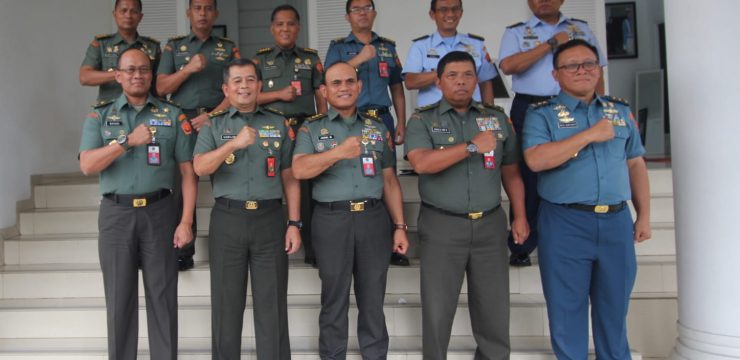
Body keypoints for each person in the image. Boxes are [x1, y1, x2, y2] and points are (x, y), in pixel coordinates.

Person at [522, 39, 650, 359]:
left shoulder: (618, 111)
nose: (582, 70)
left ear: (599, 69)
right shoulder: (542, 115)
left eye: (589, 64)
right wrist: (589, 134)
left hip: (616, 221)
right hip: (566, 222)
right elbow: (536, 160)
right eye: (571, 65)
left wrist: (644, 214)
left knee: (614, 312)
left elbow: (635, 162)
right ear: (556, 74)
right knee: (567, 313)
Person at [405, 51, 529, 360]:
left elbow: (511, 172)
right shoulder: (423, 119)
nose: (461, 81)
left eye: (468, 75)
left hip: (489, 224)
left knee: (494, 308)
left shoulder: (497, 118)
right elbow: (422, 163)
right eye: (452, 75)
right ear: (438, 80)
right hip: (442, 225)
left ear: (477, 79)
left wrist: (520, 216)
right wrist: (472, 146)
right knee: (437, 309)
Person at [78, 48, 196, 360]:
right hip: (116, 215)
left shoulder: (173, 116)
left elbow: (188, 172)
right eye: (129, 70)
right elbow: (88, 165)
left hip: (160, 213)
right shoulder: (99, 116)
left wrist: (185, 221)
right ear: (117, 76)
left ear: (152, 75)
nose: (137, 75)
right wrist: (126, 141)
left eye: (143, 69)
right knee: (119, 302)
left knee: (163, 300)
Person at [291, 62, 409, 359]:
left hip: (373, 218)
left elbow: (390, 180)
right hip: (332, 219)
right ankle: (333, 355)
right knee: (334, 296)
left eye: (349, 82)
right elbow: (299, 169)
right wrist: (338, 152)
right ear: (325, 91)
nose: (343, 87)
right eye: (335, 83)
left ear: (359, 87)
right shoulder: (312, 127)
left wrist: (400, 226)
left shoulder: (377, 127)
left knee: (373, 297)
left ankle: (374, 354)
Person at [193, 58, 300, 360]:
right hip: (229, 219)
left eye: (250, 79)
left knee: (272, 305)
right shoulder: (214, 125)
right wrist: (233, 145)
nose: (244, 86)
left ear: (259, 85)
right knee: (227, 307)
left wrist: (294, 222)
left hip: (270, 219)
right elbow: (200, 166)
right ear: (226, 88)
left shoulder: (279, 123)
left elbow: (290, 176)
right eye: (237, 81)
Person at [498, 0, 607, 266]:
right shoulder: (516, 31)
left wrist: (599, 106)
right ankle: (522, 241)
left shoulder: (580, 28)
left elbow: (596, 69)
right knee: (527, 172)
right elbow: (509, 66)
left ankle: (567, 237)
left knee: (574, 166)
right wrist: (550, 45)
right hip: (530, 106)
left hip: (575, 106)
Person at [325, 0, 409, 266]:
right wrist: (360, 59)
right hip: (351, 119)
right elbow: (328, 79)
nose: (362, 13)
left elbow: (396, 86)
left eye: (367, 8)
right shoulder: (338, 47)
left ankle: (394, 241)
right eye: (356, 9)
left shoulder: (388, 46)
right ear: (347, 16)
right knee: (357, 175)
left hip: (381, 117)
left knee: (387, 177)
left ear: (374, 13)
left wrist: (401, 121)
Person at [157, 0, 240, 270]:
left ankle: (229, 246)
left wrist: (213, 116)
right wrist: (188, 69)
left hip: (218, 120)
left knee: (227, 182)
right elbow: (160, 87)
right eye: (197, 8)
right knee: (182, 186)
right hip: (183, 120)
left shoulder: (227, 48)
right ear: (188, 12)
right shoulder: (174, 46)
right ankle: (183, 248)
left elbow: (238, 90)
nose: (202, 13)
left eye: (207, 8)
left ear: (215, 13)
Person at [254, 4, 326, 267]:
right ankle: (271, 245)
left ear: (298, 27)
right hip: (269, 131)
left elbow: (321, 94)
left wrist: (323, 126)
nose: (285, 28)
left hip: (304, 129)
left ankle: (312, 247)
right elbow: (249, 97)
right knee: (271, 184)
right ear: (272, 28)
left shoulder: (310, 57)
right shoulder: (260, 60)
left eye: (291, 24)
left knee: (307, 188)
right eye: (280, 24)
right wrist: (278, 95)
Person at [403, 0, 497, 107]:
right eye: (443, 9)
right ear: (432, 14)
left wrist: (490, 114)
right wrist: (443, 73)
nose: (450, 14)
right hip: (433, 117)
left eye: (455, 9)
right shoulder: (420, 46)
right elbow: (410, 82)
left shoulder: (477, 44)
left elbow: (485, 83)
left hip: (471, 113)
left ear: (461, 13)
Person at [79, 0, 161, 103]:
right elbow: (84, 77)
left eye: (134, 11)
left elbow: (161, 84)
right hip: (111, 110)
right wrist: (121, 73)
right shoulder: (101, 44)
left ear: (140, 17)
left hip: (145, 110)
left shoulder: (152, 46)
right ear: (114, 14)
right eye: (123, 10)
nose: (128, 15)